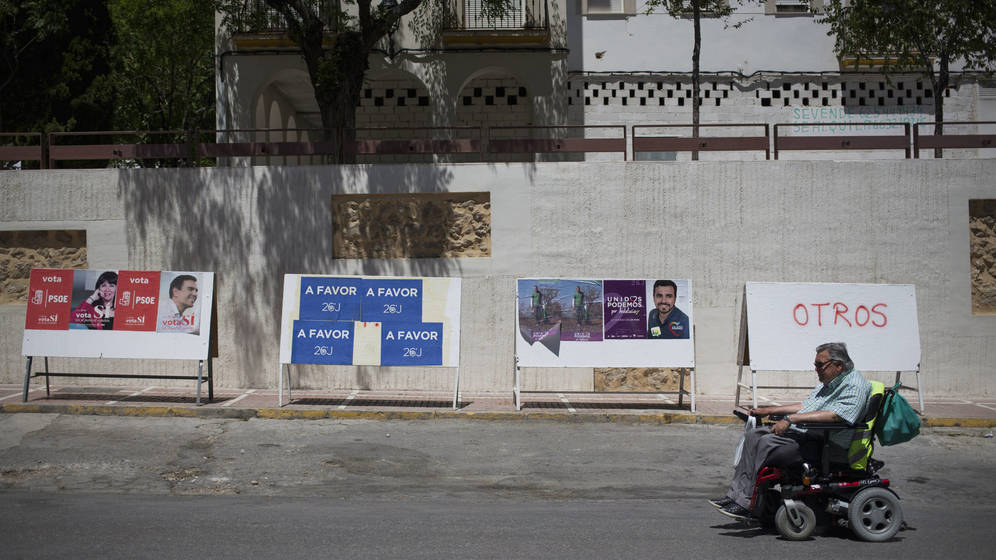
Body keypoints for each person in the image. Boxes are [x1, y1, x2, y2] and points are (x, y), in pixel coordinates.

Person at [711, 342, 872, 520]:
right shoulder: (830, 382)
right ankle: (735, 496)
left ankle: (746, 503)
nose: (816, 369)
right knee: (753, 435)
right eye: (815, 365)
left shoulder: (854, 386)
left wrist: (790, 419)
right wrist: (768, 410)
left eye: (819, 365)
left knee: (766, 443)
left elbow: (836, 416)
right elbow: (807, 406)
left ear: (838, 365)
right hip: (809, 435)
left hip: (827, 444)